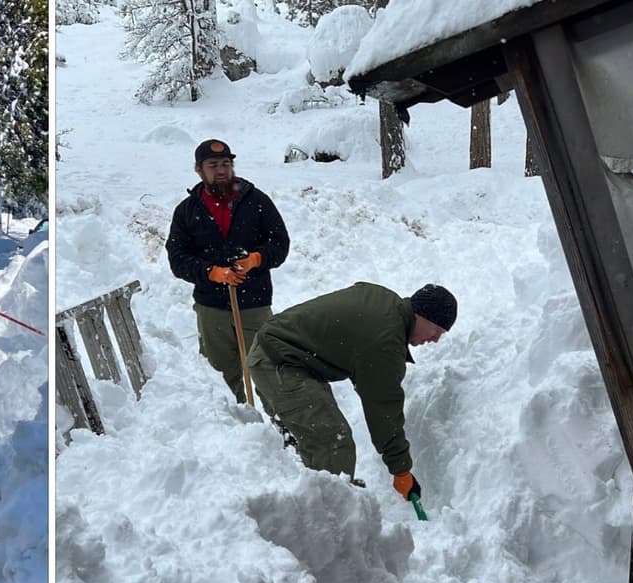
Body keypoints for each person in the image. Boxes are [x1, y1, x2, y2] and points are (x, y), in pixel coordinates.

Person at [246, 282, 457, 502]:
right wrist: (401, 469)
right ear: (422, 315)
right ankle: (334, 508)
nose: (435, 339)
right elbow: (383, 408)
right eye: (437, 330)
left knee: (318, 435)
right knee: (332, 440)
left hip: (285, 354)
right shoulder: (385, 340)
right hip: (278, 361)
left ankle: (329, 492)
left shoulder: (386, 304)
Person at [166, 139, 291, 403]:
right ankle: (236, 421)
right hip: (211, 308)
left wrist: (256, 259)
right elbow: (177, 259)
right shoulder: (187, 211)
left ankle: (280, 421)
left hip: (255, 303)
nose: (221, 170)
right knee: (220, 374)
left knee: (268, 369)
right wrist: (211, 272)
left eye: (226, 164)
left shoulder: (256, 201)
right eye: (213, 165)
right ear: (199, 169)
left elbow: (280, 243)